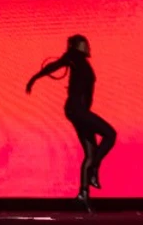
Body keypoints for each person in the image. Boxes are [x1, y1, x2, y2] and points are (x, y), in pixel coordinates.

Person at [26, 35, 116, 208]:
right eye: (84, 44)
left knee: (90, 153)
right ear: (76, 46)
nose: (88, 47)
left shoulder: (81, 61)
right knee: (110, 134)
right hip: (77, 110)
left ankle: (83, 194)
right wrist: (34, 78)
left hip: (79, 111)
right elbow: (55, 65)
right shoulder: (73, 57)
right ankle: (94, 169)